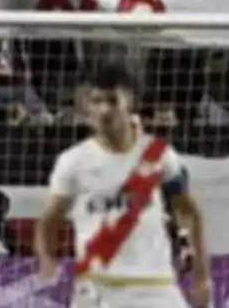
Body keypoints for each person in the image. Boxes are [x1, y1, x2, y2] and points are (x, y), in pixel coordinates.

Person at [33, 66, 211, 308]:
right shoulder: (73, 162)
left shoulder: (158, 155)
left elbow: (190, 213)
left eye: (112, 101)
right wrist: (46, 259)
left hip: (155, 286)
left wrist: (202, 278)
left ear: (130, 105)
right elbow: (48, 221)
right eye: (96, 101)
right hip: (98, 286)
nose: (104, 110)